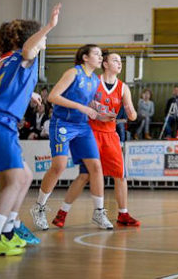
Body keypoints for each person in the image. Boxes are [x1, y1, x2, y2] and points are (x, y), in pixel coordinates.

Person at [0, 4, 59, 255]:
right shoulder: (25, 56)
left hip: (2, 121)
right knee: (12, 181)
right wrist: (49, 26)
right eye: (42, 38)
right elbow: (27, 48)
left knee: (25, 176)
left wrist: (25, 95)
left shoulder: (9, 61)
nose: (44, 41)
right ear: (33, 39)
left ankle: (8, 230)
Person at [50, 51, 140, 229]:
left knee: (120, 176)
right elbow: (83, 103)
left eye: (120, 61)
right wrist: (96, 111)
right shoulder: (93, 82)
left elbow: (133, 116)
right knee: (84, 175)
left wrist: (130, 111)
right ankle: (62, 213)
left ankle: (123, 214)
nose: (119, 63)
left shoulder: (123, 87)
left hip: (111, 135)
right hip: (91, 132)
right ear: (105, 64)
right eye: (115, 60)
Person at [31, 44, 114, 231]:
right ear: (85, 57)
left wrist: (102, 111)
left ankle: (99, 212)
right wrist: (81, 108)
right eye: (97, 54)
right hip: (62, 124)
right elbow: (53, 96)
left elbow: (88, 102)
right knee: (59, 166)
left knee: (96, 167)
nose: (101, 57)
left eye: (101, 55)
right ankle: (39, 207)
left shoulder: (94, 79)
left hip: (82, 126)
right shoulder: (73, 73)